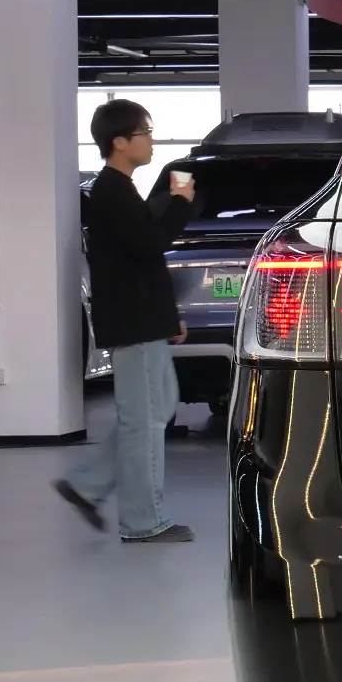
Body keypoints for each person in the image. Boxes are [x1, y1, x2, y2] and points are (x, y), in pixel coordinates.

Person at [55, 100, 197, 543]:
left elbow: (142, 262)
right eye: (145, 133)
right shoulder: (111, 191)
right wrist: (179, 203)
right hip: (133, 323)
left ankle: (87, 485)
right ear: (119, 142)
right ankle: (143, 522)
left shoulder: (121, 189)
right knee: (144, 421)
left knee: (157, 408)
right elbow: (149, 245)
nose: (151, 141)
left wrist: (168, 316)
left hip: (144, 319)